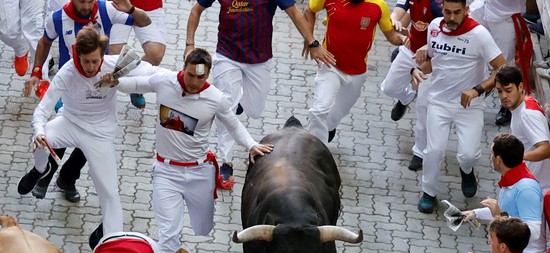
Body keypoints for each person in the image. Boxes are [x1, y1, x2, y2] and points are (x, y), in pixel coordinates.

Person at [103, 49, 271, 253]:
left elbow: (234, 126)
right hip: (165, 172)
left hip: (199, 173)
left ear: (208, 75)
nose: (194, 81)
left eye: (201, 77)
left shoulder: (215, 98)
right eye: (191, 75)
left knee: (203, 228)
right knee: (169, 233)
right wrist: (115, 84)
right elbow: (138, 84)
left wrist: (251, 144)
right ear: (183, 68)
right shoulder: (165, 81)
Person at [185, 0, 334, 189]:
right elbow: (196, 10)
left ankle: (237, 101)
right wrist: (190, 44)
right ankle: (226, 162)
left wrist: (312, 42)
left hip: (259, 59)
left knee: (255, 110)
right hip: (227, 55)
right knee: (226, 109)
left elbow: (295, 13)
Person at [17, 27, 152, 236]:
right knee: (41, 140)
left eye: (95, 61)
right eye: (86, 61)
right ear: (77, 56)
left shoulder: (113, 64)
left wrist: (179, 80)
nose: (91, 67)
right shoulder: (67, 73)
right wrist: (39, 133)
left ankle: (110, 235)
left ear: (102, 56)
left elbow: (151, 71)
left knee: (110, 192)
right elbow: (41, 111)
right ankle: (41, 169)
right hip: (69, 123)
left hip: (100, 134)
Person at [411, 0, 506, 213]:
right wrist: (416, 70)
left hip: (470, 106)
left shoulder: (479, 34)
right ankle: (429, 192)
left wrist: (477, 90)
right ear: (442, 9)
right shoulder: (434, 27)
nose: (451, 18)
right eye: (447, 12)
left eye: (457, 13)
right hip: (438, 102)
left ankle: (467, 170)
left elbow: (502, 68)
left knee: (468, 154)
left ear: (466, 10)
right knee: (433, 150)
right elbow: (436, 61)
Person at [303, 0, 408, 145]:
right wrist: (310, 41)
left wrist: (403, 38)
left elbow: (391, 36)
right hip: (330, 64)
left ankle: (328, 128)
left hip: (357, 73)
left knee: (334, 117)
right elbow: (309, 10)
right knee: (319, 110)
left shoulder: (379, 6)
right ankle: (313, 152)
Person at [463, 135, 549, 253]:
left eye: (492, 154)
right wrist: (475, 213)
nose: (490, 157)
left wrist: (500, 216)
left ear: (498, 160)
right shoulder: (512, 179)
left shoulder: (526, 188)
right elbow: (508, 212)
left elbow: (533, 232)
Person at [379, 0, 444, 171]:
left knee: (423, 108)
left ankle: (420, 152)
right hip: (409, 50)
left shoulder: (440, 5)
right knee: (389, 88)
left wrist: (429, 46)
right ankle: (406, 97)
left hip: (431, 58)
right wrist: (395, 20)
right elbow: (398, 12)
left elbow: (449, 33)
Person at [496, 65, 550, 194]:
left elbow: (546, 149)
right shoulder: (524, 104)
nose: (503, 96)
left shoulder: (527, 115)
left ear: (520, 87)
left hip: (534, 190)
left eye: (508, 90)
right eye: (499, 91)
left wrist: (516, 157)